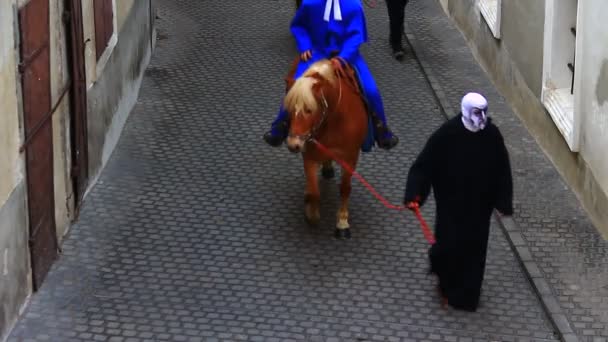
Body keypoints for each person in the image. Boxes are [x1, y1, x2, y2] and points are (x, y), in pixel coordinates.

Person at [403, 92, 514, 311]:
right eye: (477, 112)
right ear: (466, 111)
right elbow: (425, 165)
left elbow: (503, 169)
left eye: (484, 112)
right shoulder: (447, 135)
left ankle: (467, 296)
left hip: (480, 206)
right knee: (449, 245)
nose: (481, 117)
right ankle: (447, 285)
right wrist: (415, 193)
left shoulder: (492, 135)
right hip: (451, 204)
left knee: (475, 250)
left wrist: (503, 202)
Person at [263, 0, 399, 150]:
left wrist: (343, 57)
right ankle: (279, 126)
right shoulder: (310, 3)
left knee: (371, 90)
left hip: (346, 56)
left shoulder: (353, 5)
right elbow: (299, 26)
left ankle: (382, 130)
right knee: (295, 87)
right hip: (316, 54)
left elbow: (356, 36)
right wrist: (305, 45)